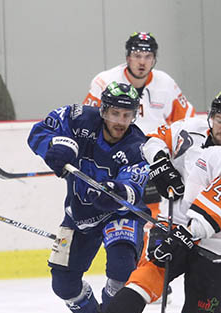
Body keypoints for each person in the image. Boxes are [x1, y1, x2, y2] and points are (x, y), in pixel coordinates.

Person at [75, 89, 221, 313]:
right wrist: (160, 164)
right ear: (210, 117)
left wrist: (186, 235)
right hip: (174, 225)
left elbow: (219, 212)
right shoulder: (190, 128)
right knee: (145, 280)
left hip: (214, 243)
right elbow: (152, 141)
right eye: (220, 119)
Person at [27, 82, 150, 313]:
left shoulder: (138, 147)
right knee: (63, 282)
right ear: (103, 110)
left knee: (121, 267)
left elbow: (133, 187)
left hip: (118, 213)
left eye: (127, 115)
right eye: (115, 113)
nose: (121, 121)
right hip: (78, 214)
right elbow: (38, 132)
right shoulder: (77, 117)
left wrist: (117, 192)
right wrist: (56, 147)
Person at [83, 31, 195, 217]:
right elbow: (87, 123)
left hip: (148, 160)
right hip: (111, 157)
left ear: (154, 59)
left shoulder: (166, 84)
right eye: (136, 56)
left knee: (146, 216)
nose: (142, 62)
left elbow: (186, 123)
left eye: (148, 56)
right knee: (102, 212)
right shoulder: (104, 81)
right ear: (128, 57)